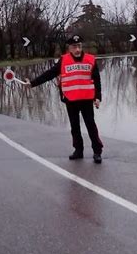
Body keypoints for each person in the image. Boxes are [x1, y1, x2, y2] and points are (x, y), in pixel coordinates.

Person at [25, 35, 104, 163]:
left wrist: (98, 97)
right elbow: (49, 74)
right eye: (74, 47)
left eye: (79, 46)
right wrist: (33, 83)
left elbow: (97, 80)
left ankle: (97, 151)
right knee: (75, 127)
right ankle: (78, 151)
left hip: (86, 99)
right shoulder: (64, 60)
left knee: (91, 126)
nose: (77, 49)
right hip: (70, 99)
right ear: (69, 48)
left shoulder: (90, 59)